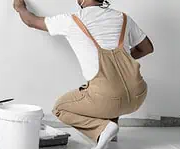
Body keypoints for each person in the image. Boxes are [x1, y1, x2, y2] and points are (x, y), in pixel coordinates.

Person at [13, 0, 154, 149]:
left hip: (109, 97)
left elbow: (31, 21)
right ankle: (112, 128)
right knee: (110, 85)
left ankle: (102, 129)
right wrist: (123, 62)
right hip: (138, 95)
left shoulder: (72, 20)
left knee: (61, 107)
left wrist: (20, 6)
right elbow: (147, 48)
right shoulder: (123, 18)